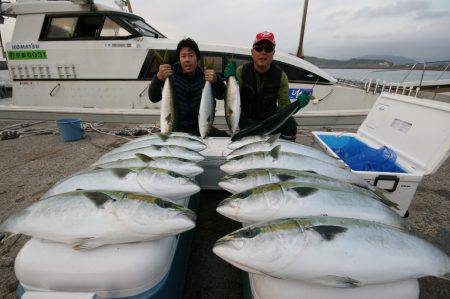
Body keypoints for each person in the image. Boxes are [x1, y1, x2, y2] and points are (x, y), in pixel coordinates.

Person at [224, 31, 310, 140]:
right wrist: (229, 80)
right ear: (252, 52)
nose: (263, 52)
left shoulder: (281, 76)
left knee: (290, 124)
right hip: (248, 121)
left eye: (268, 49)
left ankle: (282, 151)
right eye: (259, 48)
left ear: (273, 53)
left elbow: (284, 107)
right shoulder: (241, 71)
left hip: (271, 121)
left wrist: (298, 104)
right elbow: (231, 100)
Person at [148, 38, 228, 137]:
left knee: (226, 140)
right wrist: (158, 78)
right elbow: (153, 97)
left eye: (191, 55)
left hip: (201, 128)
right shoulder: (170, 77)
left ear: (197, 57)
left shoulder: (206, 77)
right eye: (183, 56)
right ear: (179, 59)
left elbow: (223, 95)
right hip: (176, 130)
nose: (187, 60)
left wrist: (216, 80)